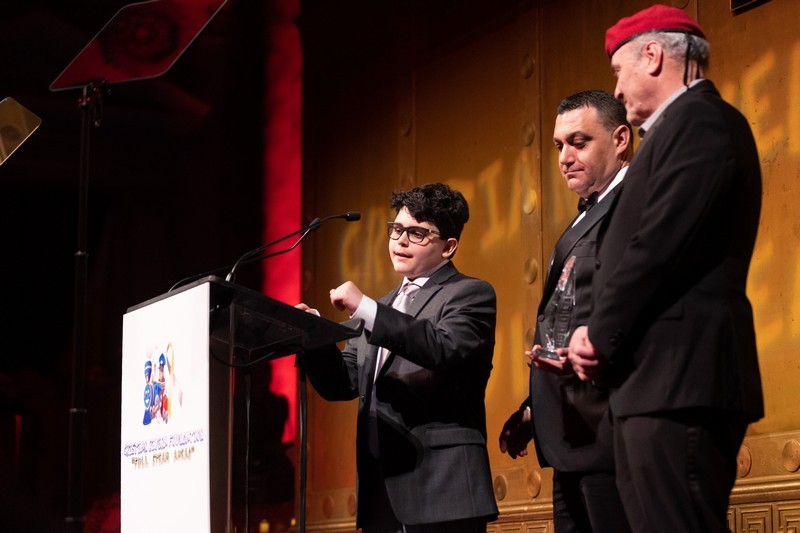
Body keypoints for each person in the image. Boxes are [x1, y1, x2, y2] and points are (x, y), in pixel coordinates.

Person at [567, 5, 764, 532]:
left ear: (652, 55)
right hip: (657, 382)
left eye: (619, 71)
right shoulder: (678, 129)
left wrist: (598, 333)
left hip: (681, 380)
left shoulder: (700, 121)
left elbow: (658, 244)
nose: (616, 90)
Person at [297, 183, 498, 532]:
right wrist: (313, 336)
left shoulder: (469, 294)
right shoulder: (382, 307)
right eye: (397, 229)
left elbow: (441, 347)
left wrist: (365, 308)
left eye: (417, 233)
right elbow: (343, 382)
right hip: (381, 491)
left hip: (444, 489)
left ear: (448, 246)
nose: (401, 241)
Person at [499, 90, 633, 533]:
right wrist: (533, 408)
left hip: (611, 430)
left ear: (620, 139)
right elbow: (569, 316)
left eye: (579, 142)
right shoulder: (586, 213)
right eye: (559, 146)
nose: (565, 158)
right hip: (570, 432)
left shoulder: (635, 203)